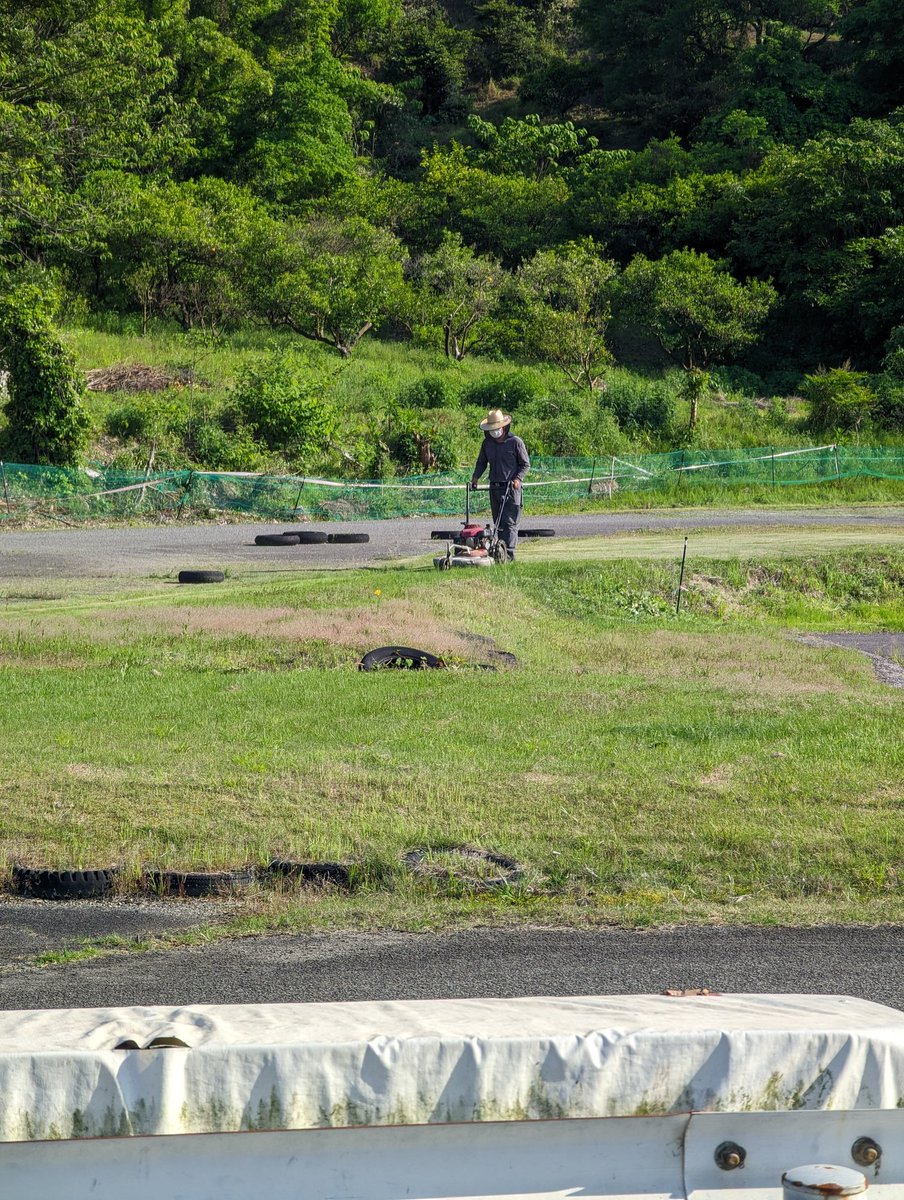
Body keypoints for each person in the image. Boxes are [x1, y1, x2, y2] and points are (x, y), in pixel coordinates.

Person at [470, 407, 530, 561]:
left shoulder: (515, 442)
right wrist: (475, 477)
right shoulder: (487, 444)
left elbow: (525, 464)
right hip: (495, 487)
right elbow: (481, 462)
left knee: (509, 523)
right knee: (498, 523)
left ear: (503, 427)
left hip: (511, 488)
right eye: (492, 429)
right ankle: (499, 553)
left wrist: (518, 479)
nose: (495, 432)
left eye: (497, 428)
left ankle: (509, 555)